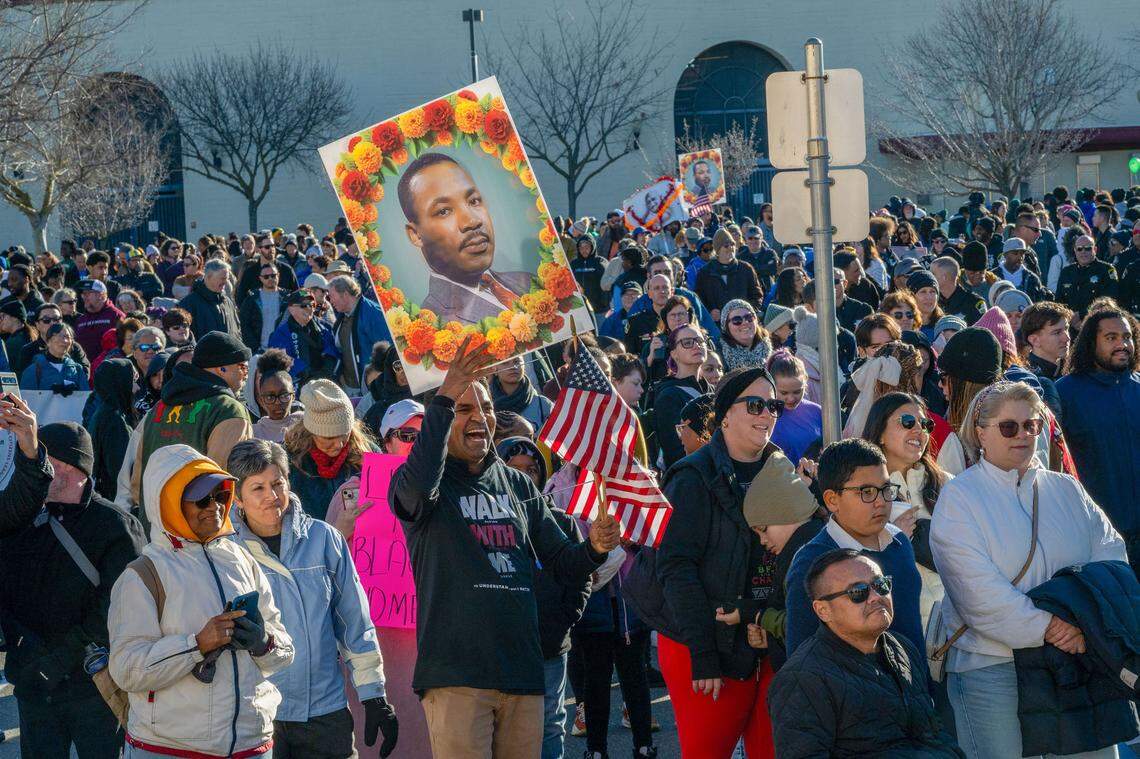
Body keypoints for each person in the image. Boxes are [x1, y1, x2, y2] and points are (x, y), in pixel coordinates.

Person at [387, 335, 618, 759]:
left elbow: (563, 562)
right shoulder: (420, 483)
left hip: (523, 673)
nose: (480, 418)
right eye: (464, 409)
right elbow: (419, 485)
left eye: (488, 408)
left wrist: (595, 549)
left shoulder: (514, 482)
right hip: (457, 675)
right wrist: (444, 395)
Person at [930, 381, 1126, 758]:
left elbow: (1111, 559)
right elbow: (977, 592)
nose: (1022, 435)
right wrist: (1053, 627)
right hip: (993, 666)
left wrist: (1085, 623)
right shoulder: (961, 497)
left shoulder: (1067, 489)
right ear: (981, 433)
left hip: (1075, 660)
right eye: (1009, 427)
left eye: (1032, 425)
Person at [108, 443, 295, 758]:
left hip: (252, 744)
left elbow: (285, 651)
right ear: (167, 502)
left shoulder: (240, 559)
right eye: (202, 499)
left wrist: (263, 642)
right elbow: (127, 670)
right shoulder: (142, 576)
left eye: (221, 495)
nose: (215, 507)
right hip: (171, 748)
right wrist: (195, 645)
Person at [227, 440, 399, 758]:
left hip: (325, 710)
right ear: (238, 497)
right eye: (258, 488)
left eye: (277, 483)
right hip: (258, 714)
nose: (271, 496)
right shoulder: (227, 552)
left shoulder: (323, 539)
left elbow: (354, 621)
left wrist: (373, 694)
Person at [655, 366, 784, 759]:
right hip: (704, 642)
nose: (768, 415)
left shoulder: (782, 469)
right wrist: (703, 654)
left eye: (774, 406)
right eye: (756, 405)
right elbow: (676, 569)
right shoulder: (692, 477)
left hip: (767, 638)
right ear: (725, 413)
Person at [0, 422, 144, 759]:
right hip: (34, 686)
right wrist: (26, 655)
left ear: (67, 466)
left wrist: (59, 660)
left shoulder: (116, 525)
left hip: (94, 687)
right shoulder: (20, 518)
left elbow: (119, 607)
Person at [768, 550, 963, 758]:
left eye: (881, 585)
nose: (875, 597)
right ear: (823, 610)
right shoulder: (803, 678)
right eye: (858, 592)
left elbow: (932, 733)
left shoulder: (902, 648)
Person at [784, 439, 924, 656]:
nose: (881, 502)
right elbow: (801, 656)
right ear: (832, 500)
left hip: (912, 685)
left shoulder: (899, 541)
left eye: (886, 489)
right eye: (867, 492)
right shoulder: (811, 562)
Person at [716, 451, 824, 672]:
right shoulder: (810, 542)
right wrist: (771, 638)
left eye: (763, 530)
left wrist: (755, 614)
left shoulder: (805, 556)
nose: (763, 541)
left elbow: (804, 622)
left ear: (788, 514)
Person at [132, 331, 253, 525]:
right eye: (241, 366)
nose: (246, 372)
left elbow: (137, 480)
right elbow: (221, 480)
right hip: (202, 531)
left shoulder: (159, 407)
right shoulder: (229, 410)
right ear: (219, 369)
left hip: (155, 527)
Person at [396, 153, 530, 324]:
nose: (472, 221)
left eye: (473, 201)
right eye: (444, 211)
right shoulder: (436, 330)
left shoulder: (528, 281)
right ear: (416, 235)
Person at [1055, 308, 1140, 571]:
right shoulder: (1065, 392)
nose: (1122, 344)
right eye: (1111, 337)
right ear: (1092, 341)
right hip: (1097, 534)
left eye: (1127, 337)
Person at [284, 378, 377, 519]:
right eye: (329, 438)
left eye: (345, 435)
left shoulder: (368, 453)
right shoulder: (290, 461)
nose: (339, 444)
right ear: (310, 432)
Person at [648, 324, 710, 469]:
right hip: (692, 476)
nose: (696, 346)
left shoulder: (714, 390)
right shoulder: (668, 396)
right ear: (674, 353)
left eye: (700, 341)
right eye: (687, 343)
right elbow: (675, 452)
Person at [328, 275, 390, 396]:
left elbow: (388, 352)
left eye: (332, 296)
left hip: (371, 390)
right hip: (350, 387)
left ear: (345, 294)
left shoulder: (374, 314)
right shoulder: (343, 316)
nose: (330, 301)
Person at [267, 288, 340, 388]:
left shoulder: (324, 327)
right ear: (291, 308)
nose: (309, 308)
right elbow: (281, 360)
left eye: (312, 305)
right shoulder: (281, 334)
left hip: (326, 383)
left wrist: (328, 366)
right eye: (304, 305)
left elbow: (331, 348)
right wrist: (306, 372)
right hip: (298, 386)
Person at [89, 358, 137, 500]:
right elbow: (121, 471)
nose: (137, 387)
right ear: (119, 381)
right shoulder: (114, 421)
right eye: (133, 380)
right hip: (118, 498)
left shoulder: (104, 412)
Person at [695, 228, 763, 320]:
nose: (731, 248)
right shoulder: (705, 273)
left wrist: (748, 312)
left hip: (742, 322)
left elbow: (757, 295)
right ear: (717, 249)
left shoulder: (746, 269)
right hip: (717, 326)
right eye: (726, 245)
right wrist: (709, 312)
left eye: (733, 244)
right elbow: (698, 299)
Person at [1056, 233, 1118, 321]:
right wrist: (1070, 318)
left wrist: (1082, 315)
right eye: (1079, 249)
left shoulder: (1107, 270)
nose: (1083, 252)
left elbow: (1109, 301)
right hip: (1069, 324)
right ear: (1075, 251)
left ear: (1095, 250)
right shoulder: (1066, 272)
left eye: (1088, 248)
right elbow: (1058, 301)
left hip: (1096, 323)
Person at [178, 259, 242, 342]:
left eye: (227, 278)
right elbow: (184, 338)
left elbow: (237, 331)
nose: (225, 282)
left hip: (230, 354)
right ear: (208, 277)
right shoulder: (188, 304)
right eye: (222, 278)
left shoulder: (227, 302)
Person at [250, 350, 304, 443]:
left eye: (284, 395)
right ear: (261, 400)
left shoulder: (305, 423)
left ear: (293, 396)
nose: (278, 402)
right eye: (270, 397)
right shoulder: (253, 433)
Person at [490, 353, 553, 431]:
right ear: (495, 369)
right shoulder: (487, 407)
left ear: (524, 365)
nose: (513, 367)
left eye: (516, 361)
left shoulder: (543, 404)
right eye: (505, 363)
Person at [20, 322, 89, 391]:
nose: (64, 341)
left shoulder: (77, 370)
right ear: (48, 341)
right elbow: (27, 398)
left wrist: (75, 393)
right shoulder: (33, 370)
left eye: (67, 337)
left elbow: (86, 398)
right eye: (59, 336)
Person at [239, 262, 287, 353]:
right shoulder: (252, 299)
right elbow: (244, 324)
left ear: (278, 276)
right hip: (259, 350)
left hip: (283, 350)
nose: (270, 278)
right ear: (260, 278)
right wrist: (254, 347)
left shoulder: (287, 298)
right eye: (266, 276)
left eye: (273, 275)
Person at [74, 279, 124, 362]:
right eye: (83, 294)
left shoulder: (116, 316)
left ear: (101, 295)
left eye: (88, 293)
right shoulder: (80, 320)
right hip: (85, 369)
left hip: (108, 368)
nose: (84, 297)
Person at [1021, 302, 1072, 381]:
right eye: (1057, 332)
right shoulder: (1027, 381)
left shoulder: (1076, 371)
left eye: (1066, 329)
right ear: (1035, 340)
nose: (1067, 338)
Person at [718, 299, 772, 371]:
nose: (745, 323)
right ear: (726, 327)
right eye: (737, 320)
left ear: (756, 320)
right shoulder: (719, 358)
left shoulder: (772, 354)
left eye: (749, 317)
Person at [931, 257, 986, 325]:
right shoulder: (933, 301)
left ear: (944, 277)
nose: (930, 277)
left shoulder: (974, 303)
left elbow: (983, 331)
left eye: (933, 274)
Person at [993, 237, 1048, 302]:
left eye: (1022, 253)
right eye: (1015, 253)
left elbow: (1039, 304)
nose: (1020, 257)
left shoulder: (1033, 278)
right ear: (1005, 254)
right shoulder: (992, 276)